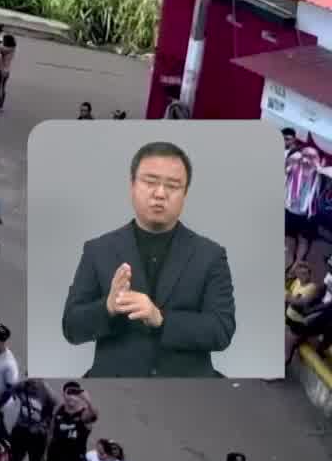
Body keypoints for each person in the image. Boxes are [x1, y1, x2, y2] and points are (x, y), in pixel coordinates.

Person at [60, 141, 236, 378]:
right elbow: (71, 327)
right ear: (132, 185)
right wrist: (108, 307)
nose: (160, 194)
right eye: (150, 182)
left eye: (173, 186)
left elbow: (221, 330)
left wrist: (161, 320)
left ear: (185, 194)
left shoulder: (210, 255)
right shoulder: (98, 250)